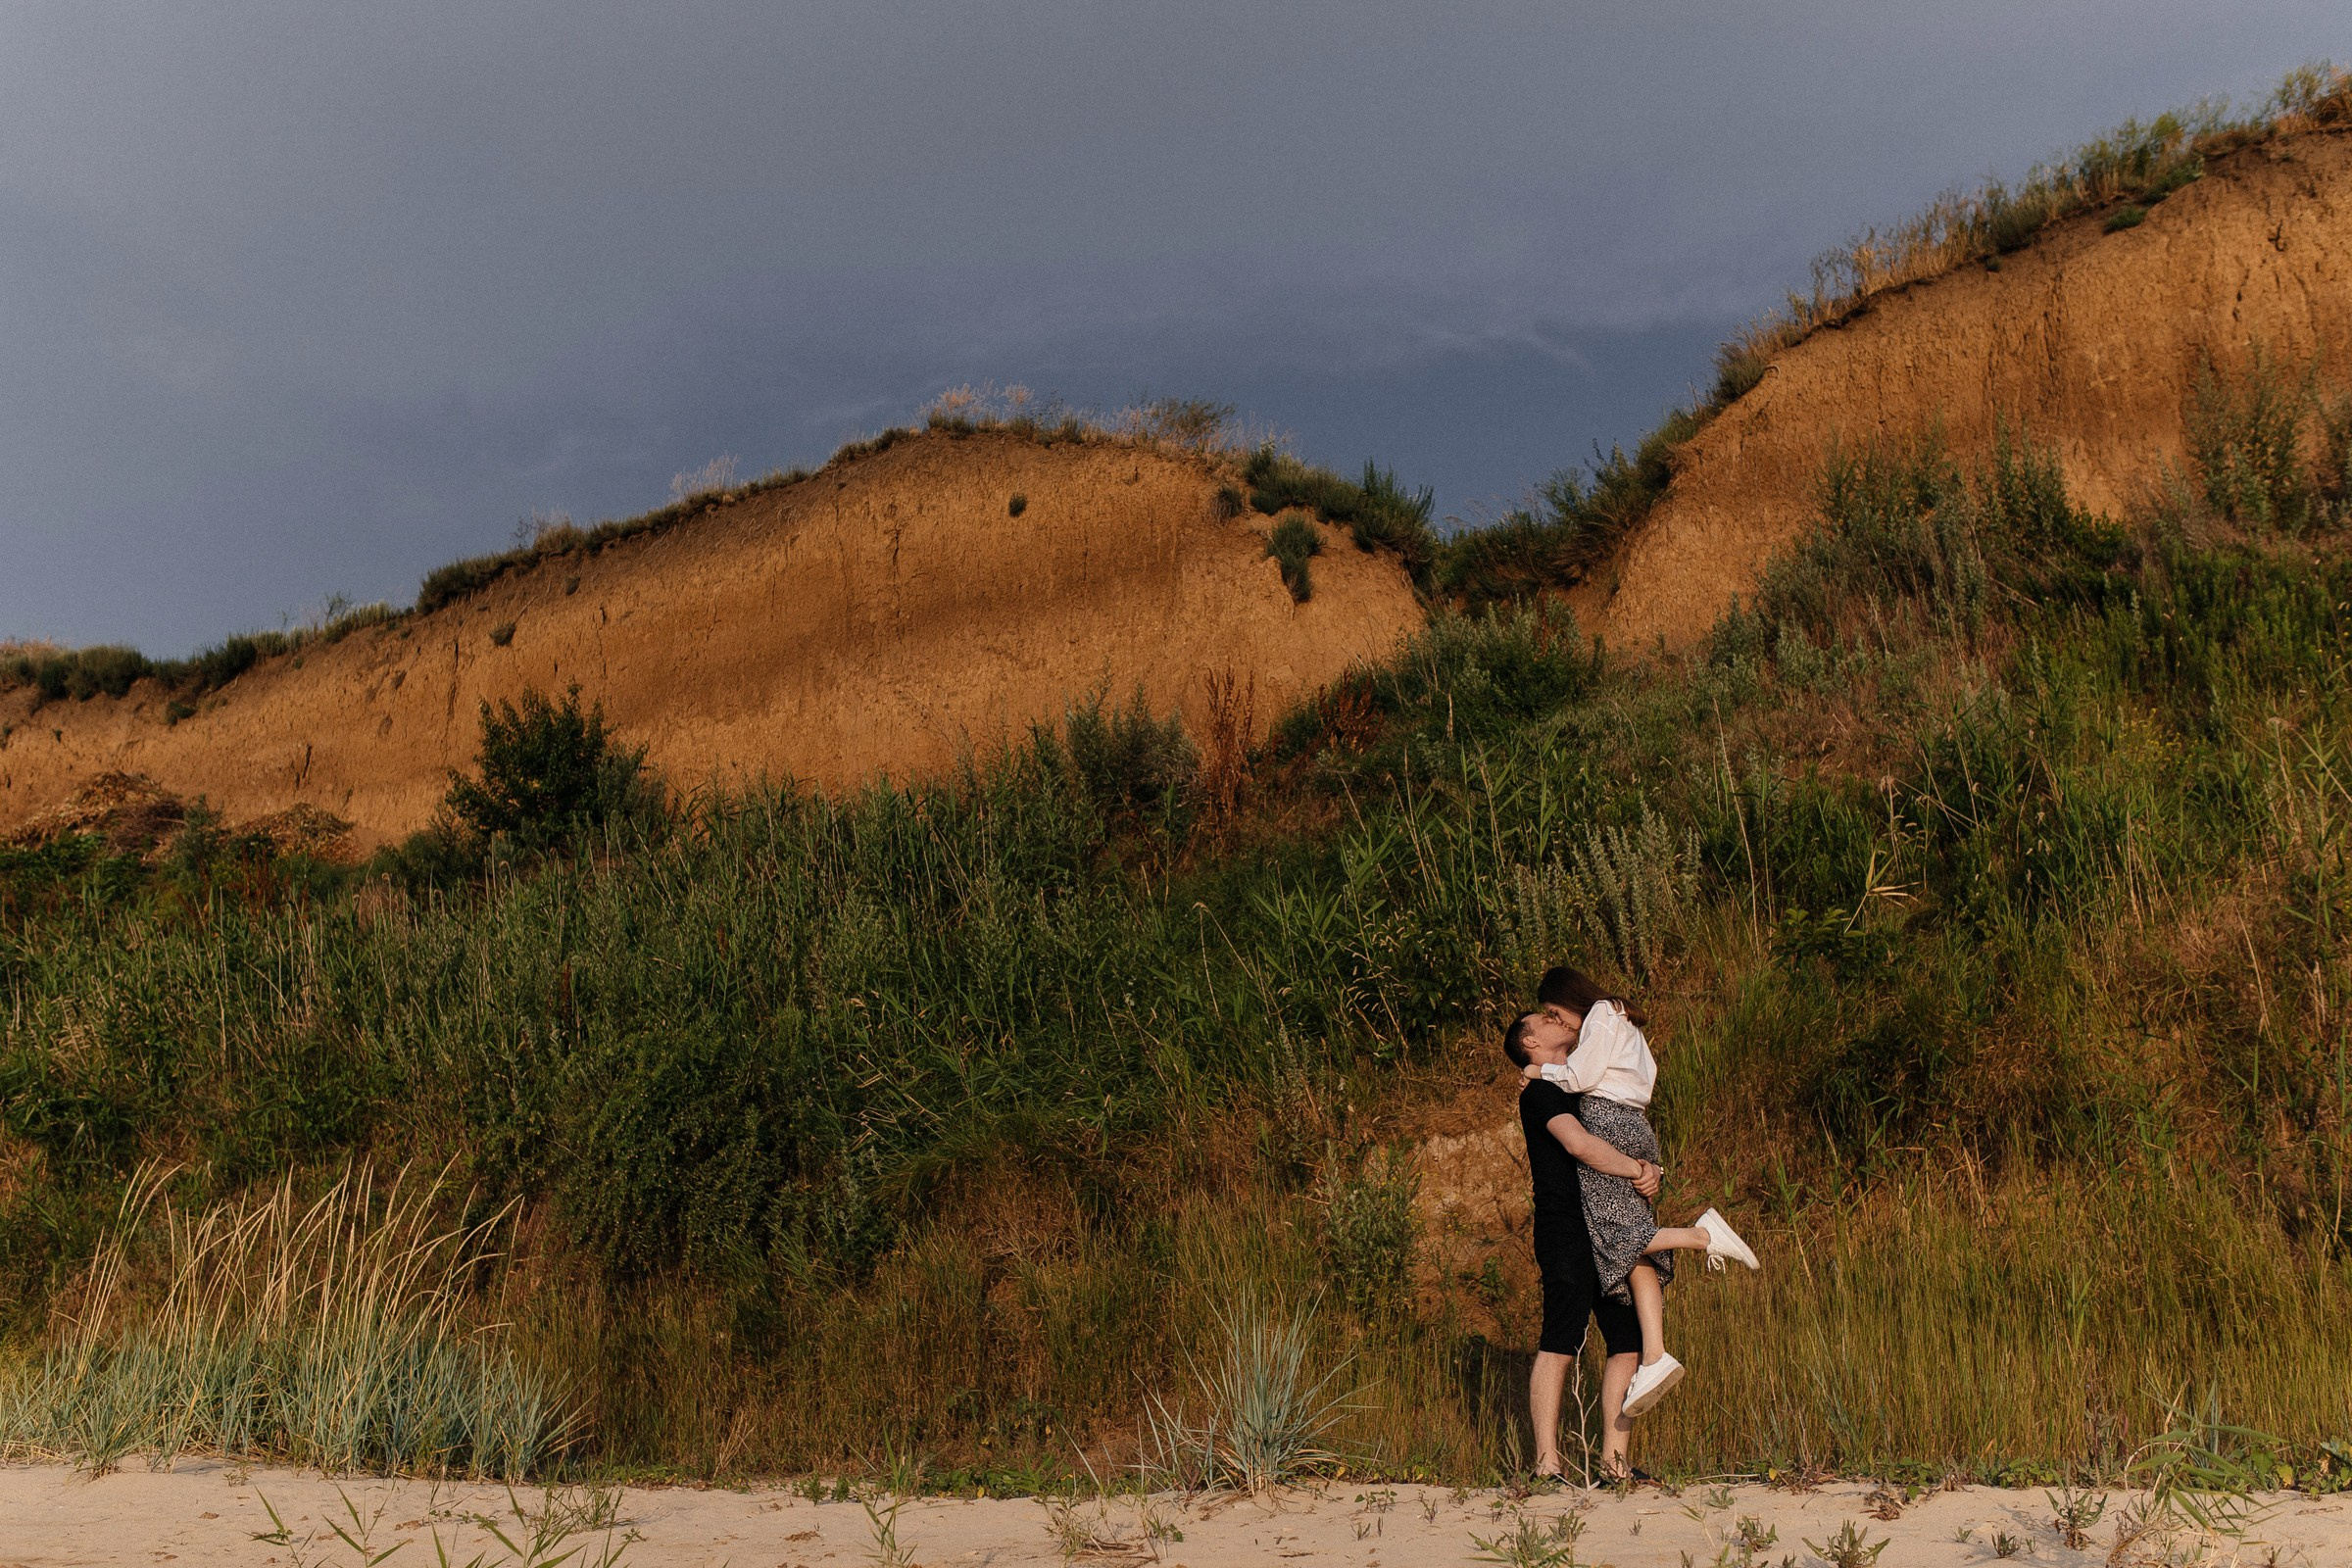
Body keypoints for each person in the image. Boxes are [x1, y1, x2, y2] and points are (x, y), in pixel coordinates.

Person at [1517, 965, 1759, 1420]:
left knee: (1616, 1236)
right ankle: (1655, 1354)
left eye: (1555, 1012)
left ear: (1572, 999)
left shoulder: (1596, 1027)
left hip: (1611, 1122)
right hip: (1632, 1128)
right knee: (1634, 1247)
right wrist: (1644, 1163)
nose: (1557, 1021)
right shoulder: (1616, 1022)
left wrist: (1537, 1069)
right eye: (1546, 1018)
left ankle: (1699, 1236)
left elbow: (1581, 1094)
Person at [1505, 1004, 1657, 1481]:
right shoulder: (1542, 1095)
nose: (1559, 1020)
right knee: (1561, 1337)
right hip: (1566, 1224)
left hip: (1605, 1222)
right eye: (1546, 1019)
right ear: (1529, 1041)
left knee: (1627, 1340)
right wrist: (1637, 1171)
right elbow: (1579, 1144)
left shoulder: (1582, 1082)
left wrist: (1648, 1168)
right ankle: (1546, 1466)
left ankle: (1615, 1465)